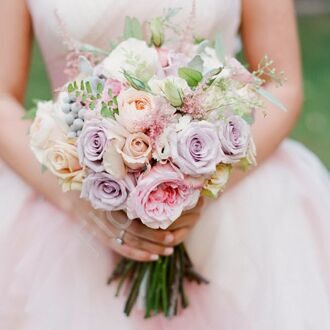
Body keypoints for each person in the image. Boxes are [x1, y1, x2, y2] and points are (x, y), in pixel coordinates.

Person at [0, 0, 329, 329]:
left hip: (232, 202)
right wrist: (81, 203)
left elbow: (284, 85)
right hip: (69, 206)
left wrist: (202, 185)